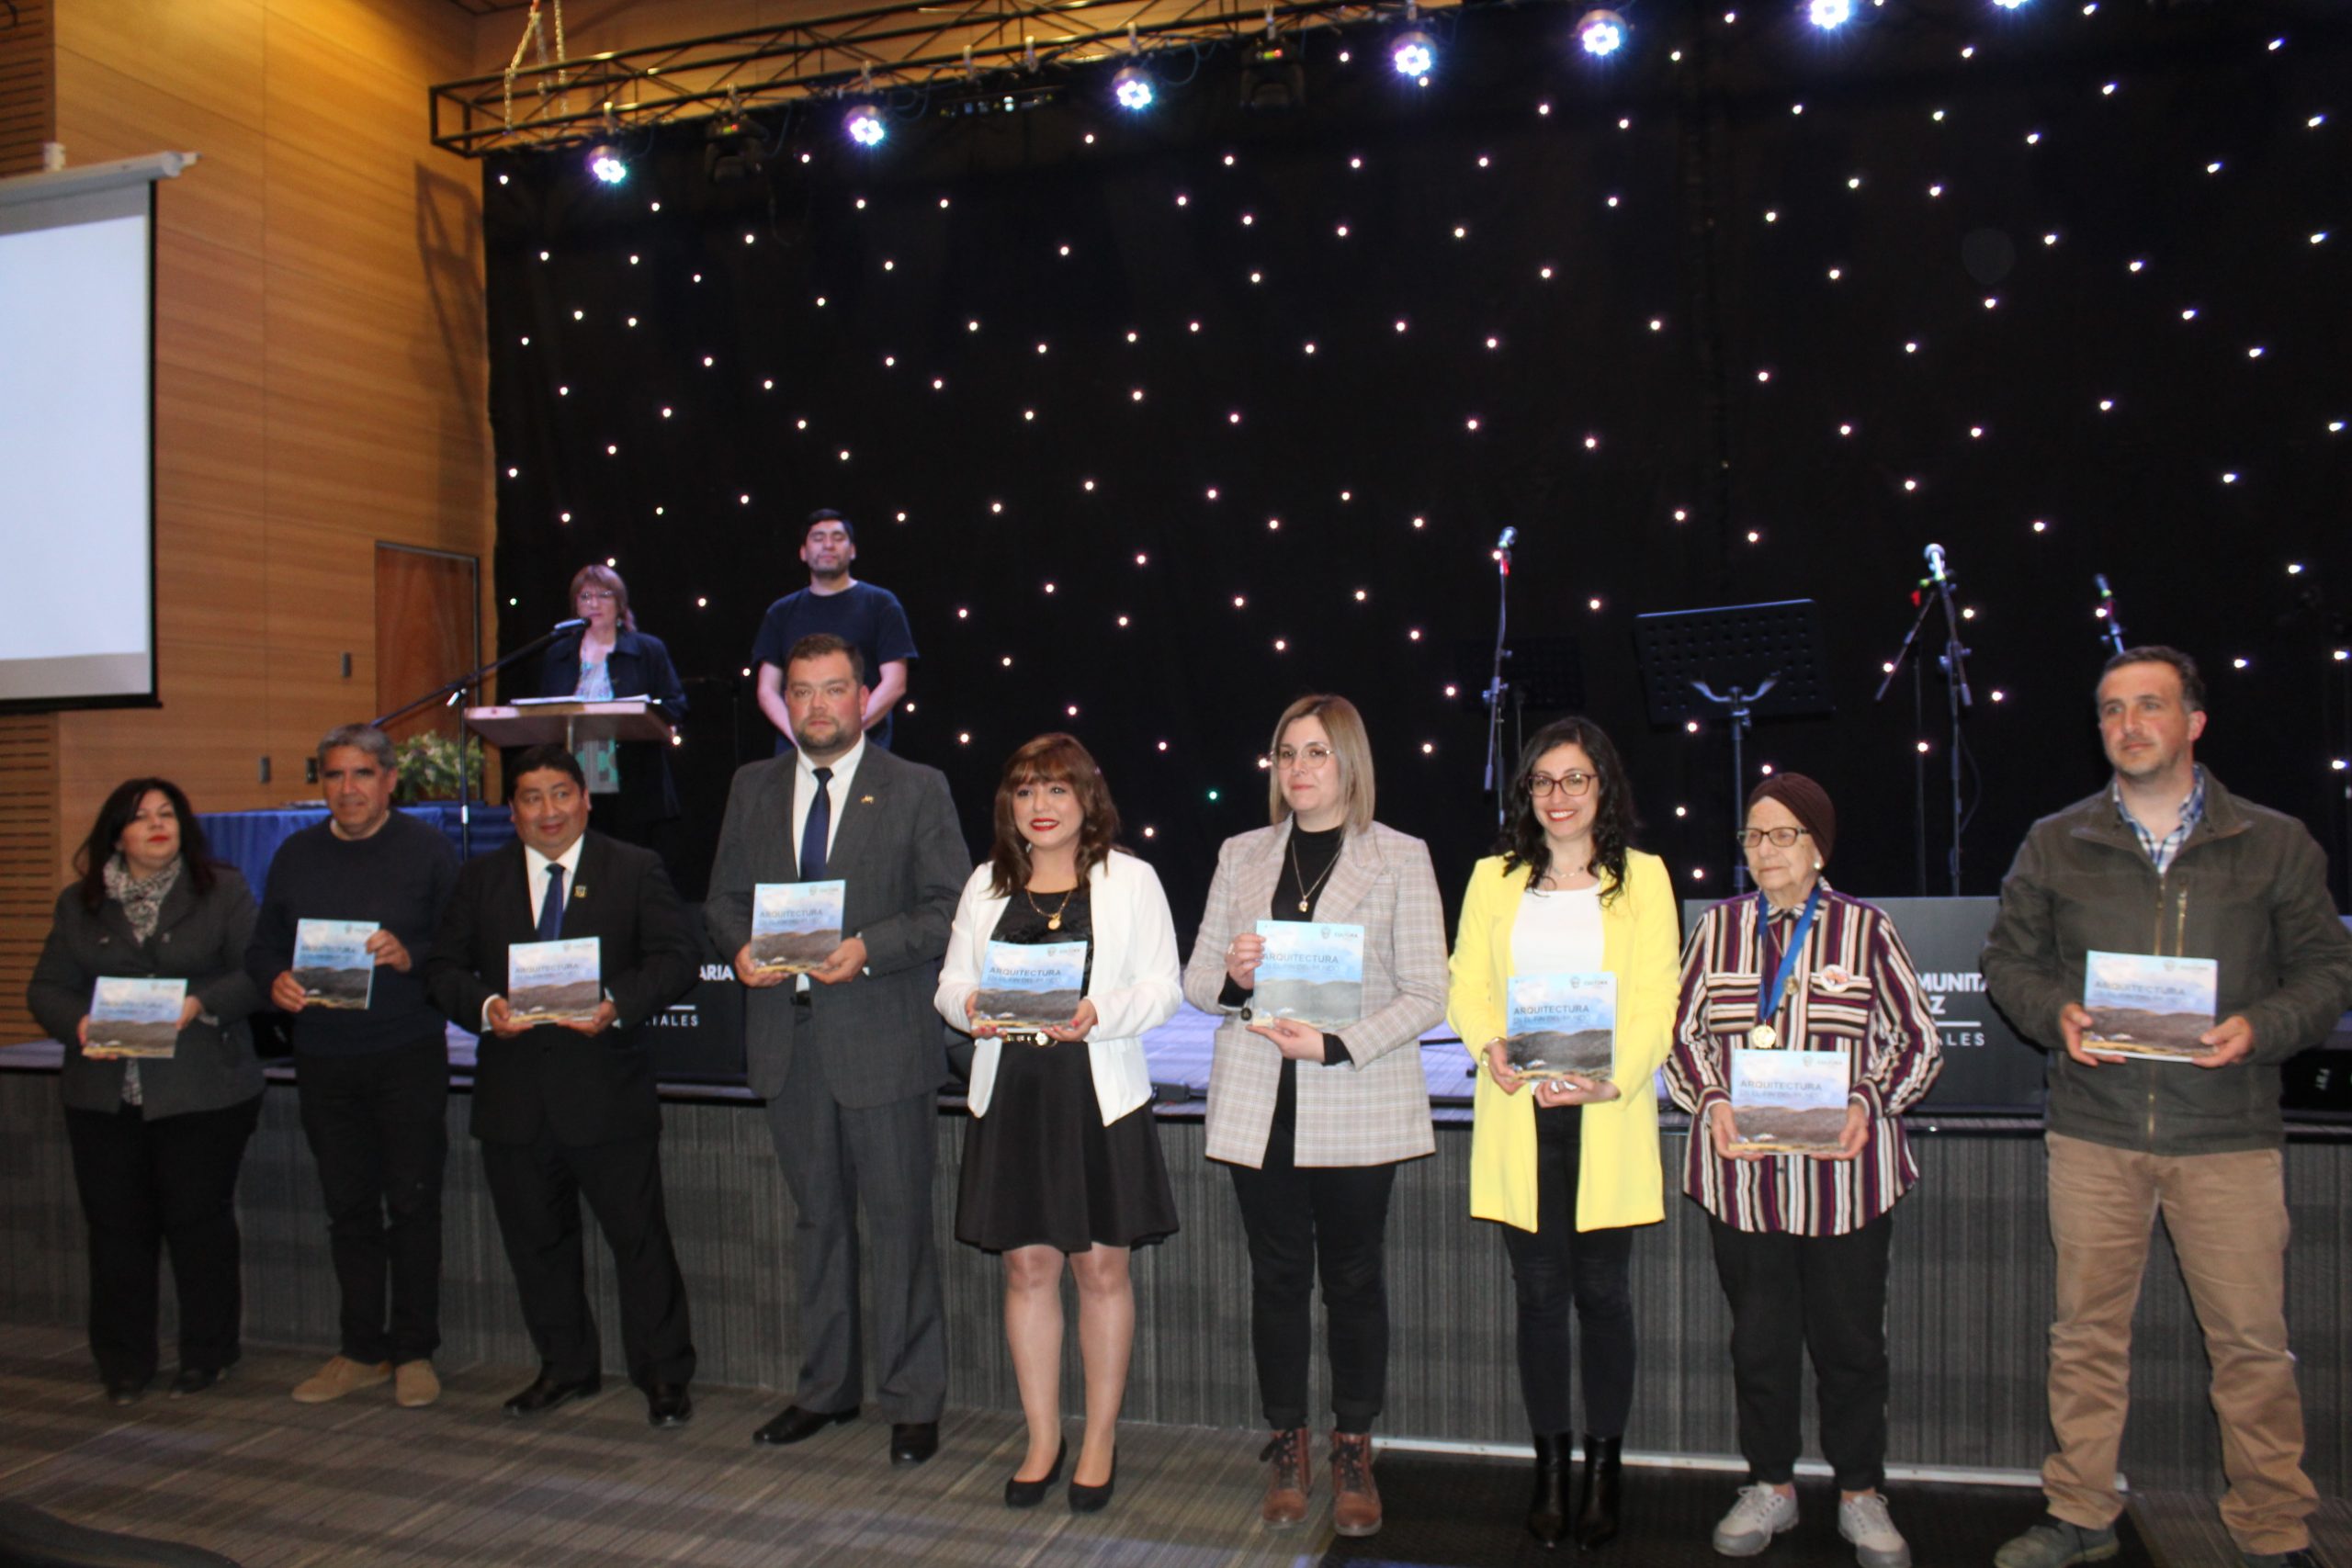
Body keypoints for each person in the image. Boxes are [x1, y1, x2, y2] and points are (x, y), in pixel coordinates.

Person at [1982, 648, 2352, 1568]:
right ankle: (2079, 1513)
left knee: (2252, 1349)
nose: (2127, 725)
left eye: (2148, 706)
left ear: (2193, 720)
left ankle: (2270, 1526)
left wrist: (2257, 1027)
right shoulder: (2055, 841)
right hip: (2093, 1131)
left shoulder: (2273, 842)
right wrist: (2053, 1014)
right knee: (2083, 1340)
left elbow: (2328, 971)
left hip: (2226, 1134)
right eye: (2110, 710)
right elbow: (2008, 963)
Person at [1181, 694, 1448, 1539]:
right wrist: (1231, 973)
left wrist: (1336, 1045)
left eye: (1316, 754)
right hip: (1263, 1101)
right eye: (1286, 753)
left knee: (1356, 1280)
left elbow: (1429, 992)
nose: (1298, 769)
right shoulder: (1241, 854)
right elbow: (1197, 988)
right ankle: (1288, 1441)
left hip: (1353, 1095)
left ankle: (1354, 1446)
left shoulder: (1401, 857)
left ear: (1350, 765)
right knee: (1277, 1278)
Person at [1663, 774, 1943, 1568]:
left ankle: (1860, 1493)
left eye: (1783, 834)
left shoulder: (1866, 930)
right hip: (1743, 1183)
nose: (1765, 850)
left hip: (1845, 1185)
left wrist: (1867, 1100)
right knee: (1759, 1343)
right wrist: (1712, 1101)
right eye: (1754, 835)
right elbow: (1681, 1039)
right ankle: (1771, 1485)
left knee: (1852, 1345)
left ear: (1818, 846)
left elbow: (1919, 1041)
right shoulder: (1716, 929)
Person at [707, 633, 967, 1466]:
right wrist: (742, 946)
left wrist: (869, 945)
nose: (819, 706)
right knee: (818, 1222)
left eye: (835, 690)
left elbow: (947, 906)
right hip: (789, 1038)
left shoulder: (916, 788)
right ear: (786, 703)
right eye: (804, 692)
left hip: (883, 1037)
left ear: (867, 698)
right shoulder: (751, 787)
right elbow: (723, 898)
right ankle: (825, 1389)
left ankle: (911, 1399)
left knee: (898, 1225)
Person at [1447, 717, 1680, 1551]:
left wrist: (1618, 1076)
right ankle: (1549, 1467)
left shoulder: (1645, 880)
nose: (1559, 795)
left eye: (1575, 779)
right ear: (1528, 795)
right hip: (1521, 1115)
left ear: (1602, 788)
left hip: (1605, 1114)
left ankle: (1604, 1467)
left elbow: (1659, 996)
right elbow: (1466, 984)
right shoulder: (1491, 879)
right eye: (1543, 781)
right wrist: (1490, 1044)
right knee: (1540, 1300)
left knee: (1604, 1298)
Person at [934, 734, 1183, 1514]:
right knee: (1027, 1270)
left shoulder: (1130, 879)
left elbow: (1164, 987)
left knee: (1101, 1271)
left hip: (1095, 1094)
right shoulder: (985, 883)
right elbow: (950, 982)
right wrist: (968, 1007)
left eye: (1056, 791)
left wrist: (1099, 1012)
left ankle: (1100, 1436)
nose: (1039, 806)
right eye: (1025, 791)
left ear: (1087, 801)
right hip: (1012, 1098)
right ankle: (1043, 1435)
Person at [423, 744, 700, 1427]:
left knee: (640, 1243)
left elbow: (678, 958)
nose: (547, 810)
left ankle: (663, 1376)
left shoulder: (634, 869)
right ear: (511, 809)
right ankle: (565, 1366)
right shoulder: (479, 879)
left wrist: (616, 1001)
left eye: (559, 793)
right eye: (530, 796)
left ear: (585, 798)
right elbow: (442, 968)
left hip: (606, 1092)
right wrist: (487, 1009)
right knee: (536, 1246)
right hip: (514, 1098)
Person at [27, 778, 265, 1404]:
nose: (158, 825)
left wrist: (199, 1003)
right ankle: (124, 1361)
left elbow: (257, 970)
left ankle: (208, 1353)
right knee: (116, 1230)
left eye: (167, 814)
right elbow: (46, 987)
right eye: (141, 817)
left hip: (201, 1088)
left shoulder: (224, 890)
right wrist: (76, 1023)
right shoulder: (79, 903)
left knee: (198, 1224)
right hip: (105, 1093)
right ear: (116, 834)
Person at [246, 724, 458, 1409]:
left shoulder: (427, 850)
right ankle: (361, 1346)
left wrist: (412, 954)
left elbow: (461, 944)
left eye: (362, 774)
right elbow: (262, 948)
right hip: (325, 1056)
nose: (348, 789)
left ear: (390, 779)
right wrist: (275, 978)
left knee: (414, 1203)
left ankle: (415, 1349)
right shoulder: (296, 854)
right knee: (348, 1207)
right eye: (335, 776)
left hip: (406, 1051)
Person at [540, 564, 689, 852]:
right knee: (583, 858)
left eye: (603, 595)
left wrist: (644, 716)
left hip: (633, 774)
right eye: (585, 597)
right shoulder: (558, 654)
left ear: (620, 603)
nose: (593, 604)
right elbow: (546, 714)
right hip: (573, 770)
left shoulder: (647, 650)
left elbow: (675, 705)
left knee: (626, 858)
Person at [751, 510, 917, 752]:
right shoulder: (781, 612)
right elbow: (767, 690)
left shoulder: (881, 604)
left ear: (852, 550)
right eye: (818, 538)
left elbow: (895, 682)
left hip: (865, 748)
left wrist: (848, 733)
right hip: (796, 752)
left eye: (838, 537)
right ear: (803, 552)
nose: (828, 545)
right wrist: (802, 737)